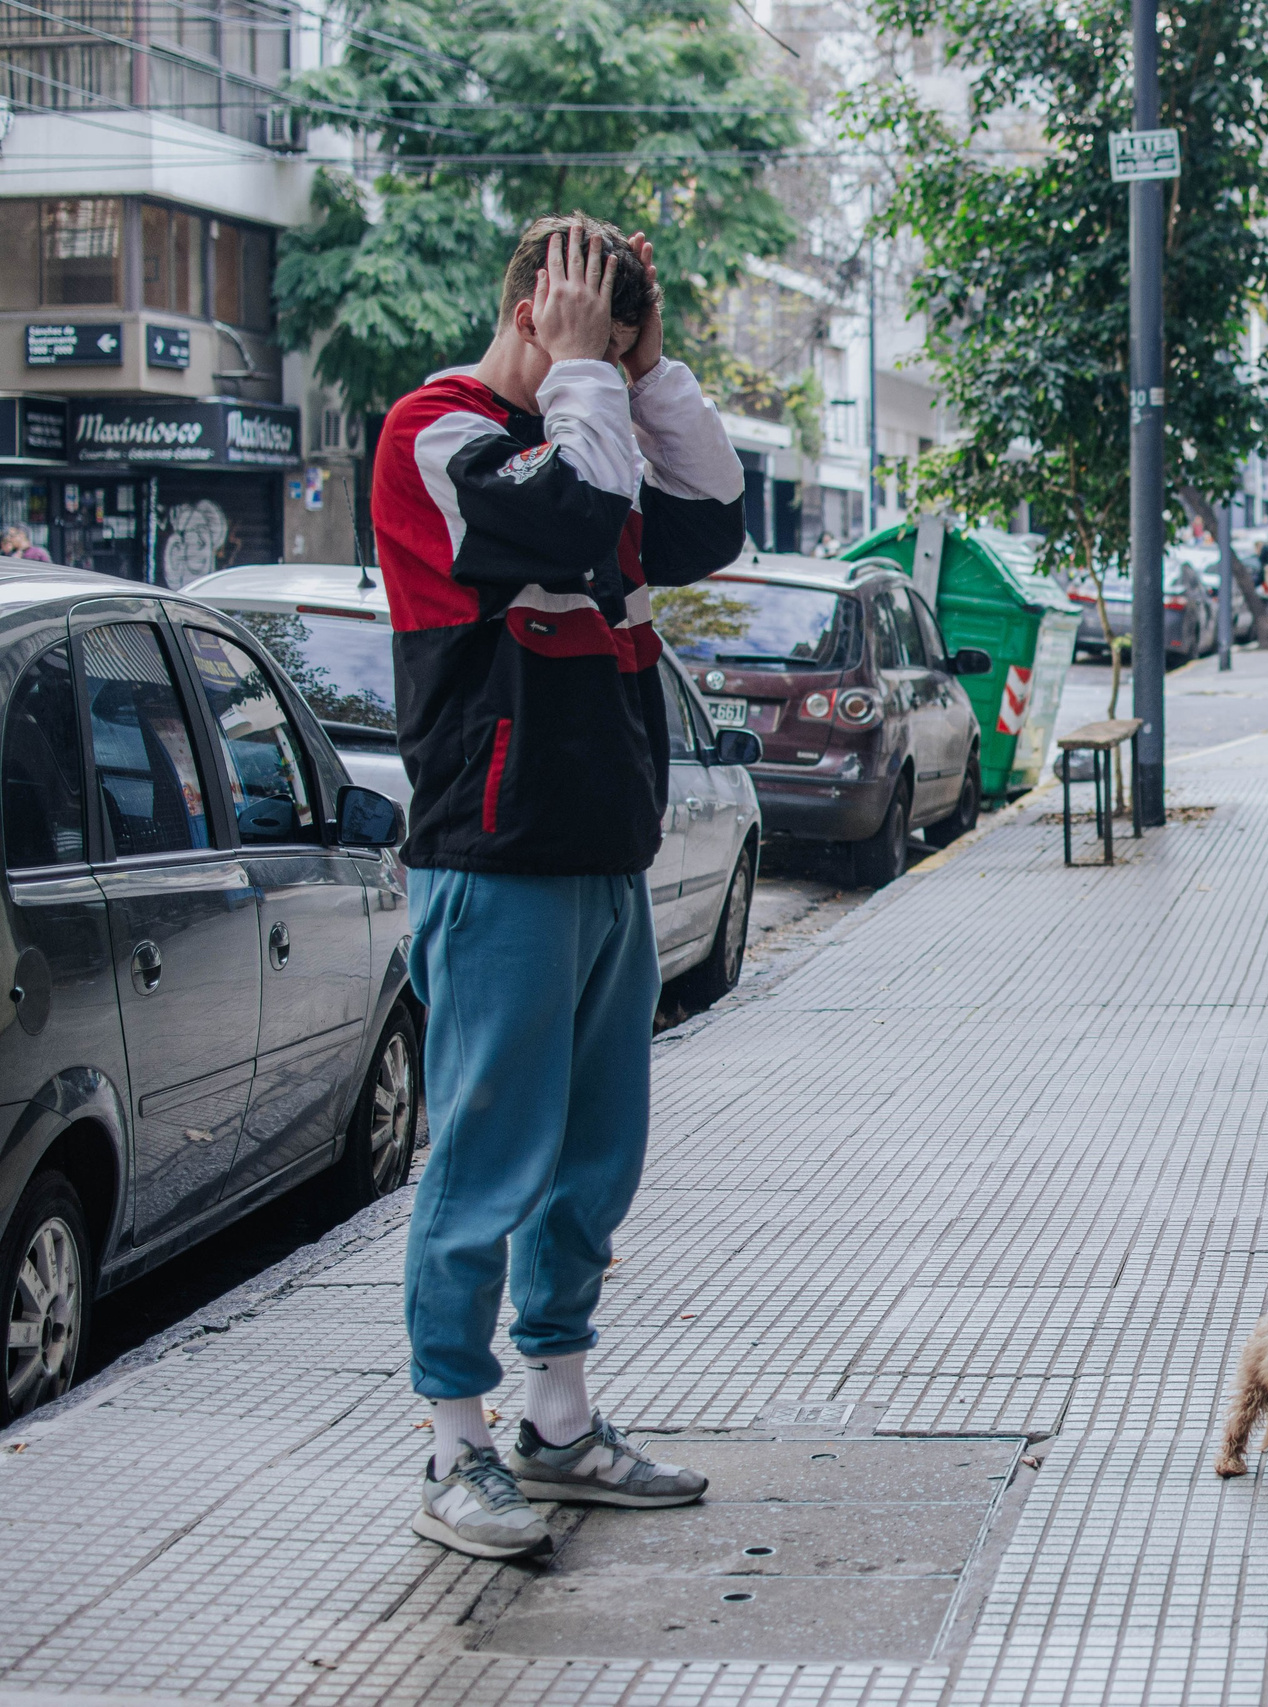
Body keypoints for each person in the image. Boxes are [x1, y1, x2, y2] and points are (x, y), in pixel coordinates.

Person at [373, 215, 747, 1561]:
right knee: (483, 1162)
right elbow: (569, 511)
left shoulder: (605, 422)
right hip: (496, 856)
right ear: (537, 307)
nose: (609, 357)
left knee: (592, 1160)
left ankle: (559, 1417)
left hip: (604, 853)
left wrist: (644, 375)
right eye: (594, 321)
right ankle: (456, 1443)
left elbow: (705, 522)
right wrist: (587, 376)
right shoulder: (433, 429)